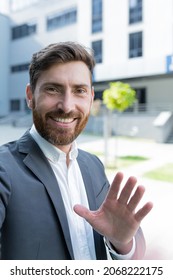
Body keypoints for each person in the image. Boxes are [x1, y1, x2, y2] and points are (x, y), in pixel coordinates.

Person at [0, 42, 153, 260]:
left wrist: (122, 243)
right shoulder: (4, 170)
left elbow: (133, 255)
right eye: (53, 89)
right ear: (30, 95)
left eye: (79, 91)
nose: (67, 106)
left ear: (91, 97)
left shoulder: (93, 165)